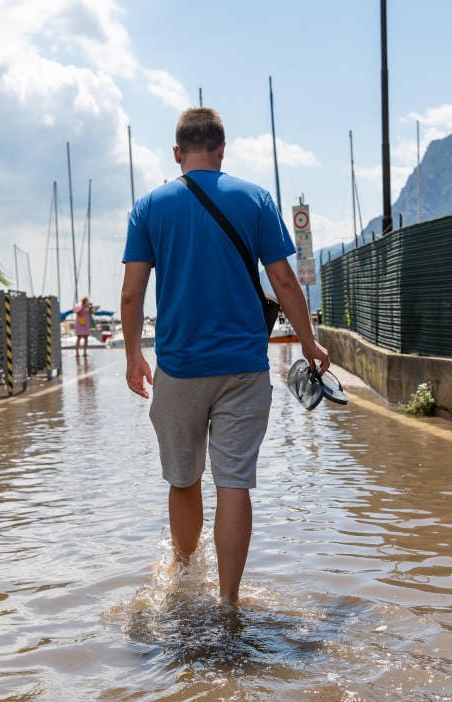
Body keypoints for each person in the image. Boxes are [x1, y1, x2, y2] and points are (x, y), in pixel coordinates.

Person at [121, 107, 329, 606]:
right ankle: (230, 601)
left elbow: (131, 294)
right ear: (222, 149)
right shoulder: (255, 198)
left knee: (183, 478)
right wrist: (308, 340)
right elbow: (283, 278)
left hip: (179, 366)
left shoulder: (149, 207)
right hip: (244, 367)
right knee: (234, 483)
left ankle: (186, 576)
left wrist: (133, 356)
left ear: (177, 153)